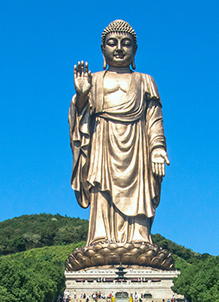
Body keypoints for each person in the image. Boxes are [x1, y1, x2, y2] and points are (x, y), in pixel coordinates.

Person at [69, 19, 170, 247]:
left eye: (126, 43)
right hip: (103, 141)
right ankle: (100, 238)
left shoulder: (145, 80)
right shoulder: (93, 80)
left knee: (139, 191)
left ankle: (139, 239)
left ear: (135, 50)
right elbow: (78, 119)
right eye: (112, 43)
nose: (119, 49)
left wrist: (157, 149)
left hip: (137, 145)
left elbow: (154, 118)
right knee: (101, 189)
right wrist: (82, 96)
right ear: (103, 49)